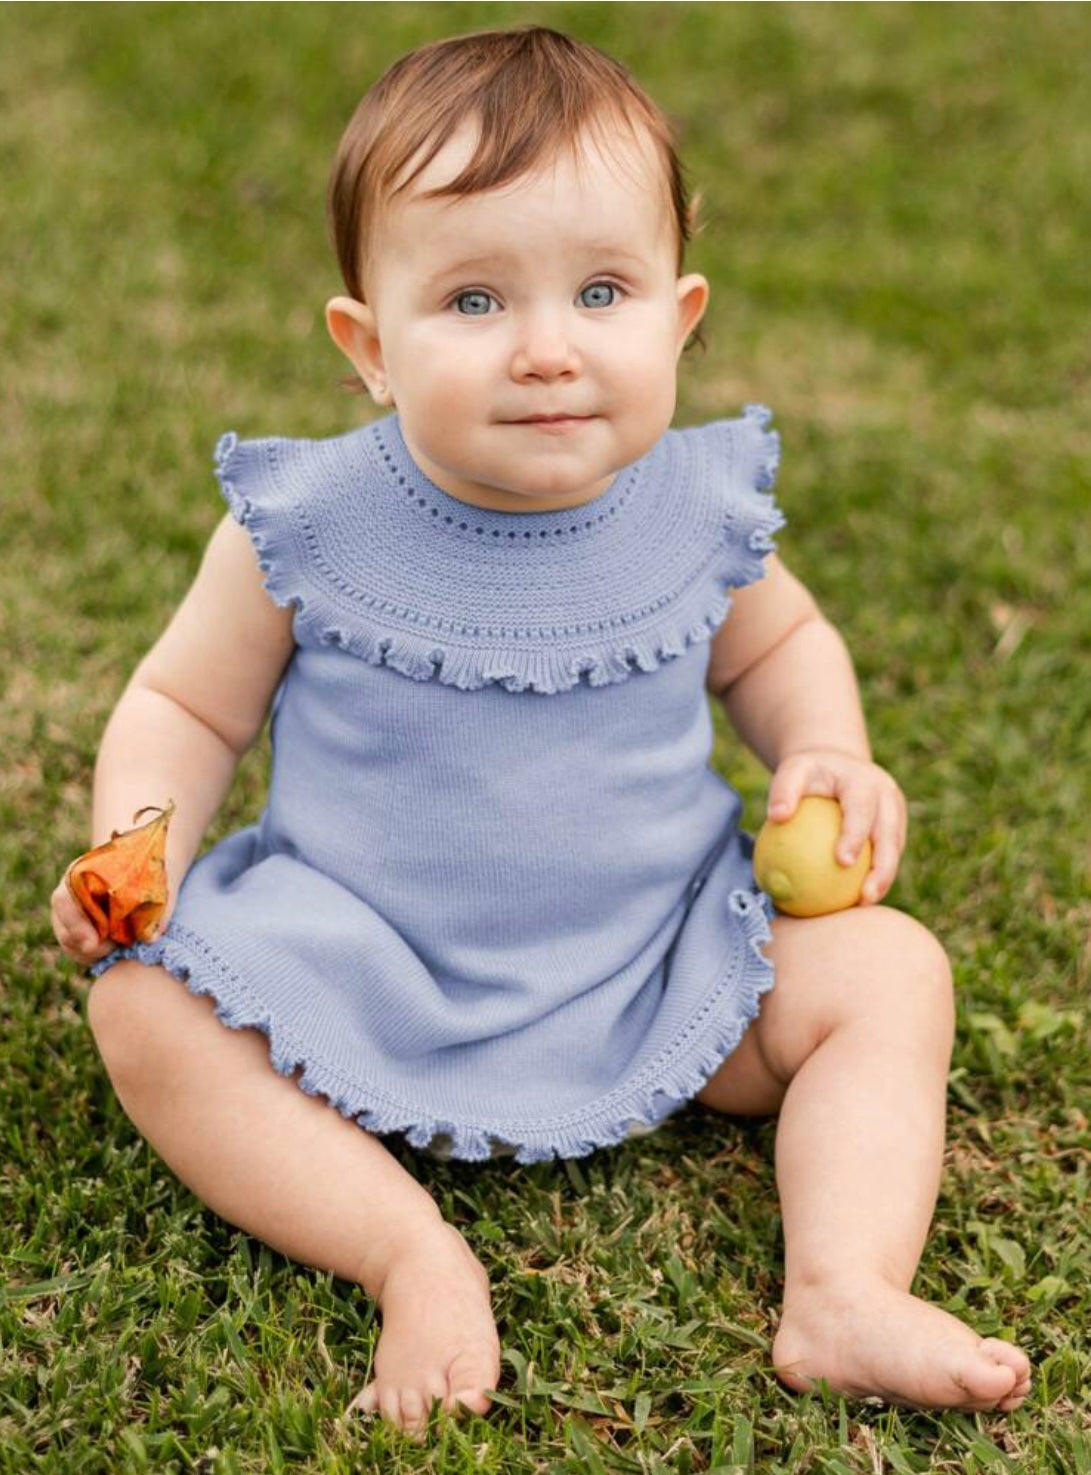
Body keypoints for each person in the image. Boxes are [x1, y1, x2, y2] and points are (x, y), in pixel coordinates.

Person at [51, 25, 1031, 1438]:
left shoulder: (698, 512)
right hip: (360, 961)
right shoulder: (307, 525)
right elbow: (184, 708)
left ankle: (842, 1284)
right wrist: (137, 843)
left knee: (891, 970)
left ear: (682, 319)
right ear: (368, 346)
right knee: (142, 1008)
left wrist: (829, 746)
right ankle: (407, 1250)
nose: (548, 350)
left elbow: (785, 647)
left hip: (657, 964)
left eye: (602, 291)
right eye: (472, 301)